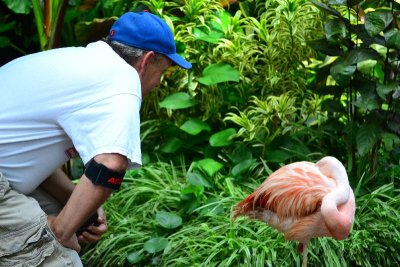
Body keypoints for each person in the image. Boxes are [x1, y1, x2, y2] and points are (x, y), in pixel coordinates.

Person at [0, 11, 191, 266]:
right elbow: (111, 164)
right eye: (162, 73)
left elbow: (25, 154)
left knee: (62, 214)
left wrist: (78, 205)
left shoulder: (76, 61)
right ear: (146, 61)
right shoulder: (124, 81)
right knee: (61, 260)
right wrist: (60, 232)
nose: (157, 83)